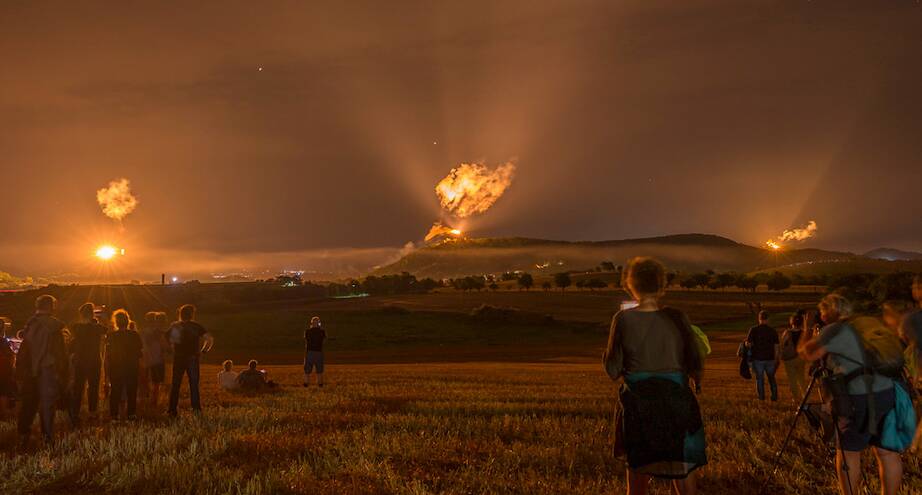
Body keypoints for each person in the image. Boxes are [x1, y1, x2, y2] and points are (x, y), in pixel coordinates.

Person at [603, 257, 705, 495]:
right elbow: (695, 361)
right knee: (683, 469)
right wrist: (695, 383)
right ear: (661, 286)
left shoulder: (622, 319)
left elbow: (612, 370)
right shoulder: (677, 317)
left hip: (639, 405)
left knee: (637, 471)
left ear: (630, 285)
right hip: (677, 401)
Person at [801, 294, 903, 495]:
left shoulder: (835, 329)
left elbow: (807, 353)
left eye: (822, 311)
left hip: (859, 396)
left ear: (832, 309)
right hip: (887, 392)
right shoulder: (868, 325)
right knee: (887, 452)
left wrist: (807, 330)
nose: (821, 316)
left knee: (848, 451)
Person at [16, 294, 69, 447]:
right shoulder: (55, 327)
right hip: (48, 369)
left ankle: (23, 435)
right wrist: (64, 373)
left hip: (29, 370)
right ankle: (47, 437)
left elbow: (24, 350)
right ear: (51, 307)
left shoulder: (30, 324)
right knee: (47, 405)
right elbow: (60, 353)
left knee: (28, 404)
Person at [167, 304, 214, 416]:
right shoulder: (196, 326)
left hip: (179, 357)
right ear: (192, 314)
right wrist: (203, 351)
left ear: (180, 314)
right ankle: (196, 409)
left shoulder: (175, 326)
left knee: (175, 384)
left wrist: (173, 350)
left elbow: (169, 340)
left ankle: (172, 409)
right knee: (193, 384)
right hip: (193, 357)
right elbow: (209, 339)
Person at [69, 303, 107, 423]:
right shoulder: (97, 328)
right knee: (93, 387)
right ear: (91, 314)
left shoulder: (76, 327)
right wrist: (98, 319)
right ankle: (92, 412)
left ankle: (75, 412)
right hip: (94, 360)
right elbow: (105, 329)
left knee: (78, 387)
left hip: (80, 360)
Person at [106, 310, 142, 420]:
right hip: (131, 367)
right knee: (132, 391)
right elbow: (139, 353)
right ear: (127, 321)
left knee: (115, 392)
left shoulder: (111, 336)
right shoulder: (135, 335)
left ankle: (114, 415)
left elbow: (108, 355)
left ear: (116, 322)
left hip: (116, 368)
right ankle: (131, 414)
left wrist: (107, 372)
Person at [746, 310, 780, 401]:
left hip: (758, 359)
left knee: (760, 380)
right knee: (772, 379)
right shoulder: (772, 331)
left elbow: (748, 344)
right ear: (768, 319)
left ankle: (761, 398)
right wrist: (776, 358)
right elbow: (776, 346)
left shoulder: (753, 330)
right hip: (770, 359)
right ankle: (774, 397)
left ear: (759, 319)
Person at [139, 311, 169, 410]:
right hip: (158, 360)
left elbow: (141, 346)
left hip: (145, 360)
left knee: (144, 381)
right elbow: (164, 346)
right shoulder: (161, 333)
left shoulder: (143, 332)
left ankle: (144, 400)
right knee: (156, 382)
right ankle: (154, 401)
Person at [780, 311, 807, 404]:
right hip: (801, 358)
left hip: (789, 359)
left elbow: (782, 344)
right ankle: (805, 397)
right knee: (801, 378)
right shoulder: (804, 332)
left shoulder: (787, 332)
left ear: (792, 322)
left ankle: (796, 398)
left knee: (792, 380)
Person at [0, 317, 16, 419]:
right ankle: (3, 414)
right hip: (3, 372)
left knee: (3, 392)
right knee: (3, 392)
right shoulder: (4, 342)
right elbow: (10, 357)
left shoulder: (4, 342)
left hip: (4, 372)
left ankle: (3, 414)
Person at [303, 316, 326, 388]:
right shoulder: (322, 331)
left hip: (310, 352)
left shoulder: (307, 331)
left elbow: (306, 340)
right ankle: (319, 383)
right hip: (317, 352)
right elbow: (323, 340)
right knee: (318, 369)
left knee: (308, 369)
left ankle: (307, 383)